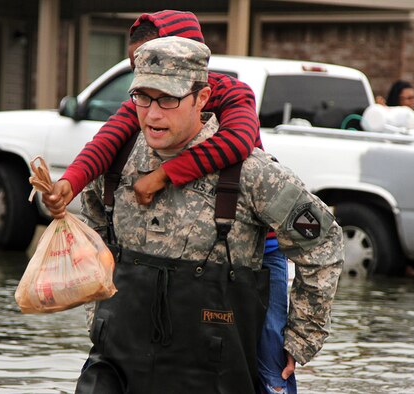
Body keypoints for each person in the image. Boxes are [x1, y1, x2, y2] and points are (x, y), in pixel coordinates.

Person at [42, 10, 297, 393]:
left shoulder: (232, 93)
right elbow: (104, 143)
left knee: (269, 364)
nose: (147, 74)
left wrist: (162, 175)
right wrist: (69, 183)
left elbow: (236, 143)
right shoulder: (144, 103)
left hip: (260, 252)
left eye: (156, 60)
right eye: (138, 68)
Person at [73, 35, 343, 393]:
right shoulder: (116, 163)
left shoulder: (250, 174)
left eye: (168, 99)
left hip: (212, 374)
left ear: (201, 98)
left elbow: (323, 244)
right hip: (116, 367)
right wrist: (97, 317)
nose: (152, 114)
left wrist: (300, 338)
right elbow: (91, 231)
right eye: (142, 97)